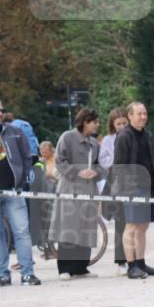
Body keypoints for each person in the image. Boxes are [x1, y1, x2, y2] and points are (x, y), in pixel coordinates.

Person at [49, 108, 105, 279]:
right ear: (85, 122)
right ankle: (65, 268)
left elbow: (101, 166)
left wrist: (96, 172)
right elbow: (59, 161)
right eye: (94, 122)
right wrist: (77, 172)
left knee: (86, 227)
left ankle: (81, 268)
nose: (97, 125)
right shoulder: (67, 137)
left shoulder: (95, 144)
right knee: (68, 227)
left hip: (89, 190)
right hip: (70, 188)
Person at [112, 102, 154, 280]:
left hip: (149, 186)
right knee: (131, 226)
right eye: (139, 114)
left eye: (145, 113)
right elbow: (119, 165)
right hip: (132, 188)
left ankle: (141, 263)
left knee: (143, 226)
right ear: (130, 116)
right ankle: (131, 266)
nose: (143, 117)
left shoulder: (147, 135)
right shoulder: (123, 136)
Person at [0, 102, 41, 286]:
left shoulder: (15, 132)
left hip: (13, 191)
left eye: (1, 110)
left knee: (22, 232)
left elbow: (27, 157)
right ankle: (2, 274)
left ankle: (27, 273)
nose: (0, 113)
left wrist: (23, 182)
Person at [99, 107, 129, 275]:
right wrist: (116, 159)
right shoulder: (108, 140)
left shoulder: (133, 136)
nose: (122, 126)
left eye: (124, 123)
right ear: (112, 124)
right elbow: (103, 160)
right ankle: (121, 261)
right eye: (118, 124)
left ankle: (135, 258)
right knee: (121, 223)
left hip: (133, 180)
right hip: (116, 182)